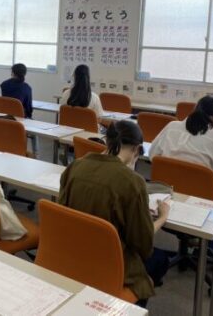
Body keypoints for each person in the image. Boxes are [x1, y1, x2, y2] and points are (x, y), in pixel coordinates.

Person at [59, 120, 170, 305]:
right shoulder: (132, 181)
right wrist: (163, 217)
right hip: (110, 261)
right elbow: (143, 244)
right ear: (137, 149)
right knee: (160, 259)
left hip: (73, 251)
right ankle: (128, 306)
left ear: (107, 141)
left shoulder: (75, 166)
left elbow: (63, 213)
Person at [149, 95, 213, 254]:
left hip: (168, 197)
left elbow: (152, 155)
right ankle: (210, 252)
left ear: (195, 110)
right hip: (202, 203)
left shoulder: (172, 126)